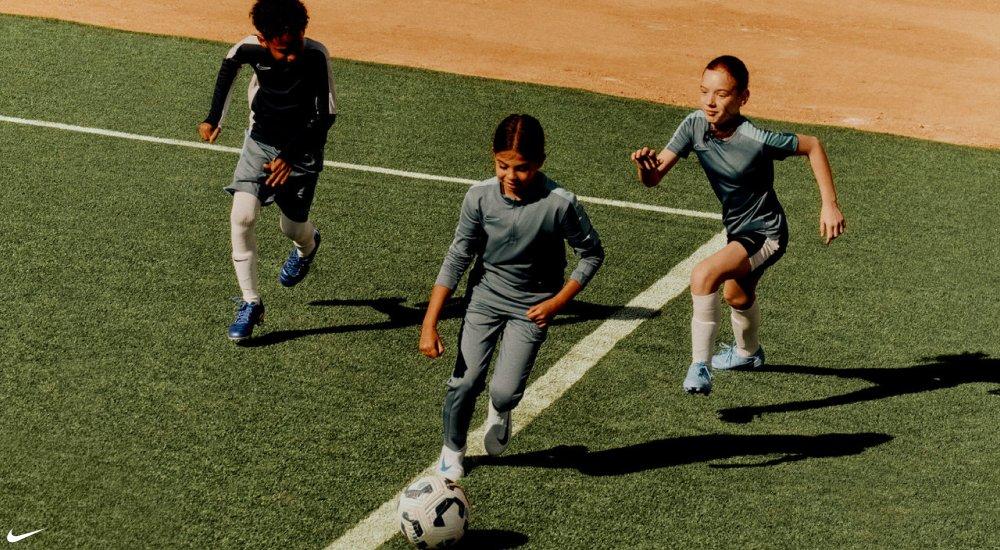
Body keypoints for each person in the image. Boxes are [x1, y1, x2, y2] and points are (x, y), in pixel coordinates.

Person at [630, 55, 845, 395]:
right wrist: (644, 166)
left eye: (722, 94)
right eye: (704, 92)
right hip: (739, 228)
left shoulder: (755, 138)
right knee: (736, 294)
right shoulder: (693, 125)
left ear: (743, 97)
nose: (710, 102)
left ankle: (699, 366)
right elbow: (653, 177)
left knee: (704, 274)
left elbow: (813, 146)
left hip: (765, 233)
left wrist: (829, 205)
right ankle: (748, 353)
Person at [420, 114, 605, 480]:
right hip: (485, 297)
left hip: (532, 307)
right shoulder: (479, 197)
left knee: (504, 393)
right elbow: (458, 257)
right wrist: (430, 321)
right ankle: (452, 448)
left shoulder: (559, 204)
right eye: (502, 166)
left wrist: (557, 303)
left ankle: (500, 409)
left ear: (539, 163)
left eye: (521, 168)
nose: (510, 177)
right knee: (465, 381)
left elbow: (592, 254)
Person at [198, 0, 337, 342]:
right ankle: (251, 302)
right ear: (263, 40)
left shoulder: (316, 56)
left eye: (296, 44)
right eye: (282, 49)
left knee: (293, 226)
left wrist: (290, 155)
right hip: (260, 142)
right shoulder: (250, 48)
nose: (291, 55)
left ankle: (307, 247)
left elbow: (326, 116)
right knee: (242, 216)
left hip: (302, 151)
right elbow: (229, 67)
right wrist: (215, 116)